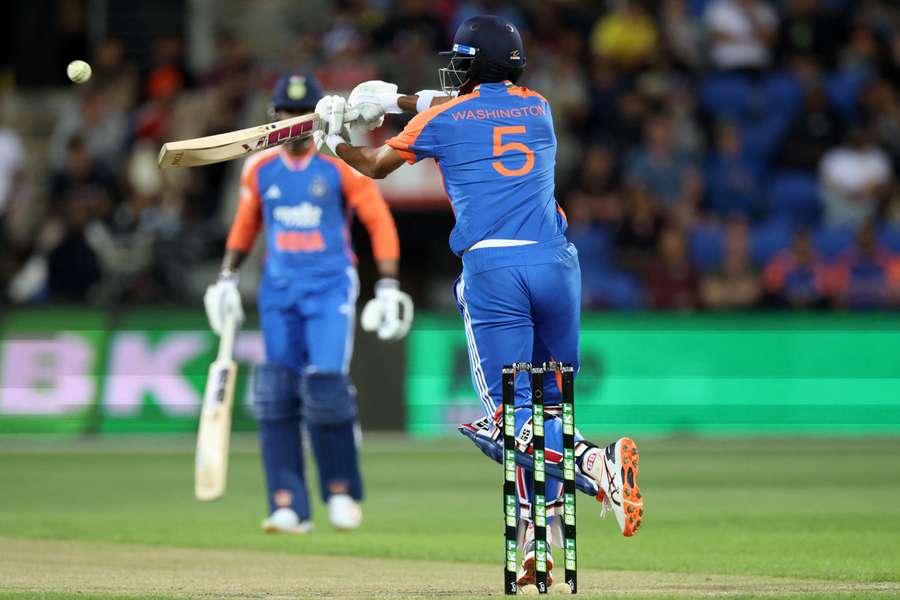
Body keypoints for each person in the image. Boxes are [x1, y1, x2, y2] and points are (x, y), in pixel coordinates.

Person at [312, 15, 643, 590]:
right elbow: (471, 107)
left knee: (506, 423)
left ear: (472, 64)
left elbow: (374, 166)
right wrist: (394, 100)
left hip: (495, 272)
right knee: (547, 412)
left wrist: (333, 139)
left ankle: (596, 464)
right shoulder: (538, 107)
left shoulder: (442, 119)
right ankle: (538, 543)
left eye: (461, 61)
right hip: (557, 265)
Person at [203, 74, 412, 534]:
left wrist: (388, 285)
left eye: (303, 114)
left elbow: (378, 221)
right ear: (273, 116)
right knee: (276, 393)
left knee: (326, 389)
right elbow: (245, 225)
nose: (294, 122)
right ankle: (287, 504)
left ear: (317, 115)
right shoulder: (260, 168)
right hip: (279, 292)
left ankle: (341, 493)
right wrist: (226, 278)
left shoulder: (338, 164)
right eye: (287, 113)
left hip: (329, 289)